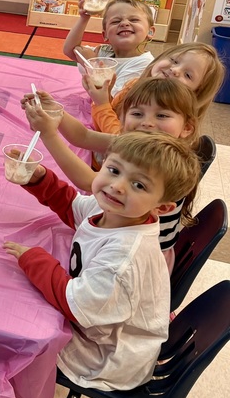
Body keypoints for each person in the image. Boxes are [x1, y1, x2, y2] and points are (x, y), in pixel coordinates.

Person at [0, 132, 199, 398]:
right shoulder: (119, 210)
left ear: (162, 206)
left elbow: (75, 304)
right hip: (104, 324)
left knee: (12, 346)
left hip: (106, 356)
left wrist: (33, 259)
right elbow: (73, 207)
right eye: (114, 170)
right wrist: (39, 179)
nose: (117, 186)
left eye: (139, 185)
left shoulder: (123, 259)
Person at [25, 77, 202, 262]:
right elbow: (82, 136)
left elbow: (89, 181)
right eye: (138, 113)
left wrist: (48, 135)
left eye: (162, 115)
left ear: (187, 127)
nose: (147, 123)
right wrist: (55, 111)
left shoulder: (170, 163)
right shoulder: (133, 143)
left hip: (135, 257)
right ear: (122, 117)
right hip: (110, 234)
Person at [89, 42, 224, 135]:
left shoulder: (170, 120)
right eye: (174, 61)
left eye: (188, 75)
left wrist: (102, 105)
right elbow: (113, 118)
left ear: (197, 92)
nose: (175, 70)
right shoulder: (135, 84)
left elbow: (122, 142)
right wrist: (106, 97)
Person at [64, 0, 154, 94]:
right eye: (116, 21)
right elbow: (71, 50)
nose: (124, 23)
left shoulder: (144, 63)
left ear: (150, 32)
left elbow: (116, 102)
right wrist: (84, 18)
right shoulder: (105, 52)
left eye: (134, 20)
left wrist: (93, 67)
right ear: (105, 34)